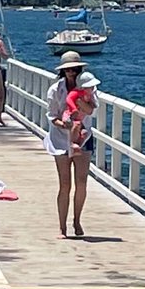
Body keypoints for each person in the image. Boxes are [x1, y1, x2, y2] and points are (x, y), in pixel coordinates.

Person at [43, 52, 100, 238]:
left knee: (81, 182)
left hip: (84, 137)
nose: (71, 72)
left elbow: (92, 110)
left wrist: (79, 100)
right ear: (63, 71)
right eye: (68, 69)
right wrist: (65, 124)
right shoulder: (55, 89)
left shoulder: (88, 88)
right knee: (64, 184)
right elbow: (52, 117)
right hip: (60, 138)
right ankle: (62, 226)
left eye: (75, 69)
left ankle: (76, 221)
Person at [63, 82, 97, 157]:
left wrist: (90, 104)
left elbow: (93, 110)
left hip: (81, 120)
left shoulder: (91, 95)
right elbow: (69, 99)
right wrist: (74, 109)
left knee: (84, 132)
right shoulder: (76, 92)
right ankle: (73, 144)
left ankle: (78, 146)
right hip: (71, 116)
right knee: (76, 125)